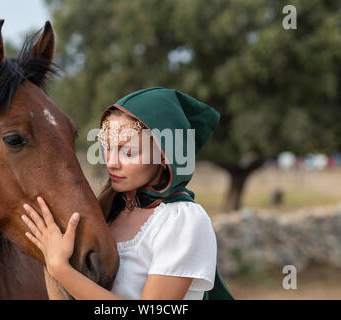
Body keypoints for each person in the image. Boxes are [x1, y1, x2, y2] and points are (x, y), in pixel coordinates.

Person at [21, 87, 233, 300]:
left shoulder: (182, 220)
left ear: (164, 155)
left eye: (128, 152)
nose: (111, 163)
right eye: (107, 148)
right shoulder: (106, 212)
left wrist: (61, 270)